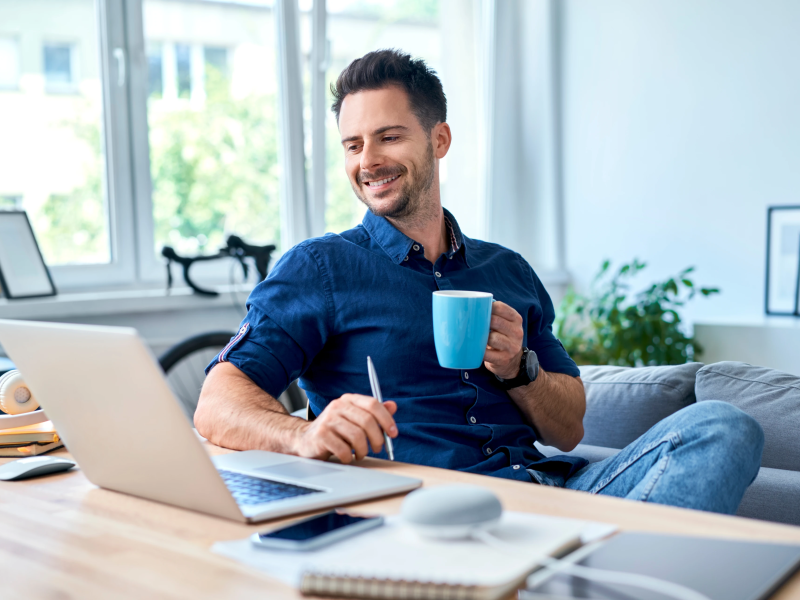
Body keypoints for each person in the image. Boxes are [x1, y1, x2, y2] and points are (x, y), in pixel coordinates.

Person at [196, 49, 763, 515]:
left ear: (439, 140)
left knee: (725, 426)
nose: (368, 161)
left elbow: (567, 428)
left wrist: (520, 368)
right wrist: (303, 436)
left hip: (553, 495)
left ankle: (576, 571)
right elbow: (217, 405)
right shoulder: (320, 268)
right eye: (353, 144)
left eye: (389, 137)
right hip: (431, 510)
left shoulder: (507, 269)